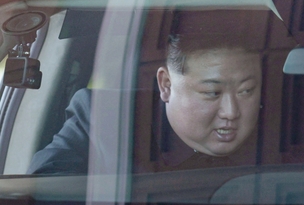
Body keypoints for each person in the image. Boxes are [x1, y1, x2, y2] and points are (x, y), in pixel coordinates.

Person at [27, 33, 262, 174]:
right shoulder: (105, 118)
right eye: (212, 93)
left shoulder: (285, 130)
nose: (232, 112)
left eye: (246, 90)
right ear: (166, 85)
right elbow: (44, 189)